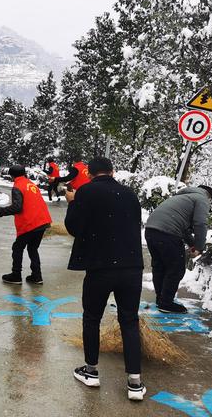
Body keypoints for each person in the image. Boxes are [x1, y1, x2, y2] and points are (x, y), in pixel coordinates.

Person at [64, 157, 146, 401]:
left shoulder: (86, 192)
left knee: (92, 318)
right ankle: (134, 382)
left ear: (89, 173)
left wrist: (72, 203)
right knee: (129, 321)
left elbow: (74, 228)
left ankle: (90, 371)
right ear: (112, 171)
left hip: (99, 267)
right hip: (131, 266)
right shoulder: (130, 194)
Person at [145, 185, 212, 314]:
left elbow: (183, 228)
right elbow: (200, 223)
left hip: (150, 230)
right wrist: (199, 247)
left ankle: (161, 300)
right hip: (167, 233)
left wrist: (193, 244)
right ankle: (166, 303)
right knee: (176, 269)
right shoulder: (202, 199)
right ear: (209, 197)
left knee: (160, 266)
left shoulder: (183, 196)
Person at [0, 165, 51, 285]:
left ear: (12, 176)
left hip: (30, 222)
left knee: (17, 248)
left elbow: (17, 207)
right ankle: (37, 276)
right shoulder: (31, 184)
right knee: (33, 249)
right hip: (42, 221)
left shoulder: (18, 186)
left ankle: (16, 275)